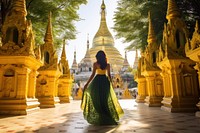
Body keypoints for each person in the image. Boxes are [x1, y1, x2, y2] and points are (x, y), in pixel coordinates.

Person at [81, 50, 124, 125]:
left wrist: (87, 84)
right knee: (104, 100)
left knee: (97, 100)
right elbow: (109, 75)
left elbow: (93, 75)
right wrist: (111, 84)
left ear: (97, 57)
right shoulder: (107, 65)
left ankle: (101, 117)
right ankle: (105, 117)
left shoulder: (95, 64)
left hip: (97, 82)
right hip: (105, 82)